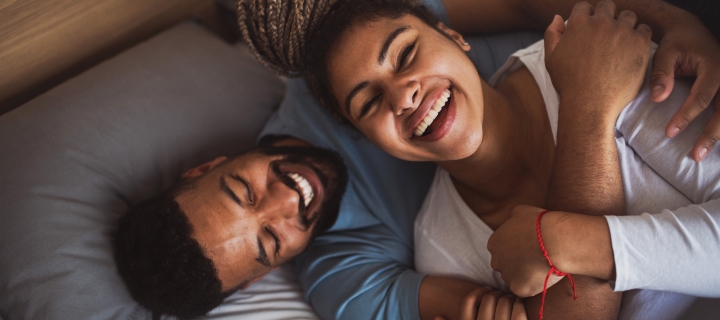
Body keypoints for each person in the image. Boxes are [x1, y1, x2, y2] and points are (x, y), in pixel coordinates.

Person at [238, 0, 720, 319]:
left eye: (406, 54)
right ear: (368, 137)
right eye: (369, 104)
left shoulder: (592, 60)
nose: (402, 97)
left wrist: (571, 238)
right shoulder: (441, 250)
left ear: (453, 35)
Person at [113, 142, 348, 318]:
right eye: (272, 239)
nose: (289, 199)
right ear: (263, 275)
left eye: (245, 190)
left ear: (206, 167)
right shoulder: (357, 266)